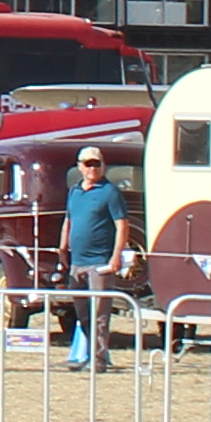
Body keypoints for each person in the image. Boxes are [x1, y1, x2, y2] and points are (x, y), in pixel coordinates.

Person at [58, 142, 133, 373]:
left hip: (100, 262)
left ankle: (98, 361)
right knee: (83, 314)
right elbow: (68, 222)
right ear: (80, 167)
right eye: (88, 164)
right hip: (77, 261)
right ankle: (88, 353)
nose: (93, 169)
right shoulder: (75, 191)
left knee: (100, 313)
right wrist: (62, 251)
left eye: (97, 164)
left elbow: (122, 225)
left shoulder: (110, 192)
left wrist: (116, 257)